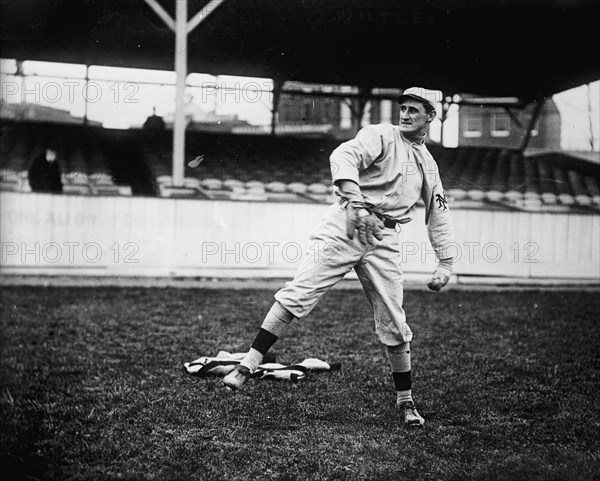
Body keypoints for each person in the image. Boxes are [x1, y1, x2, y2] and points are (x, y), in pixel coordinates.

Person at [223, 87, 455, 427]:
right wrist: (357, 201)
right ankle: (249, 364)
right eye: (403, 108)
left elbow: (439, 211)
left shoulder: (428, 164)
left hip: (383, 235)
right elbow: (344, 157)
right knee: (300, 290)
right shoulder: (380, 134)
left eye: (414, 111)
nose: (405, 114)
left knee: (394, 319)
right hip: (347, 221)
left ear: (431, 116)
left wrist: (445, 262)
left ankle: (405, 401)